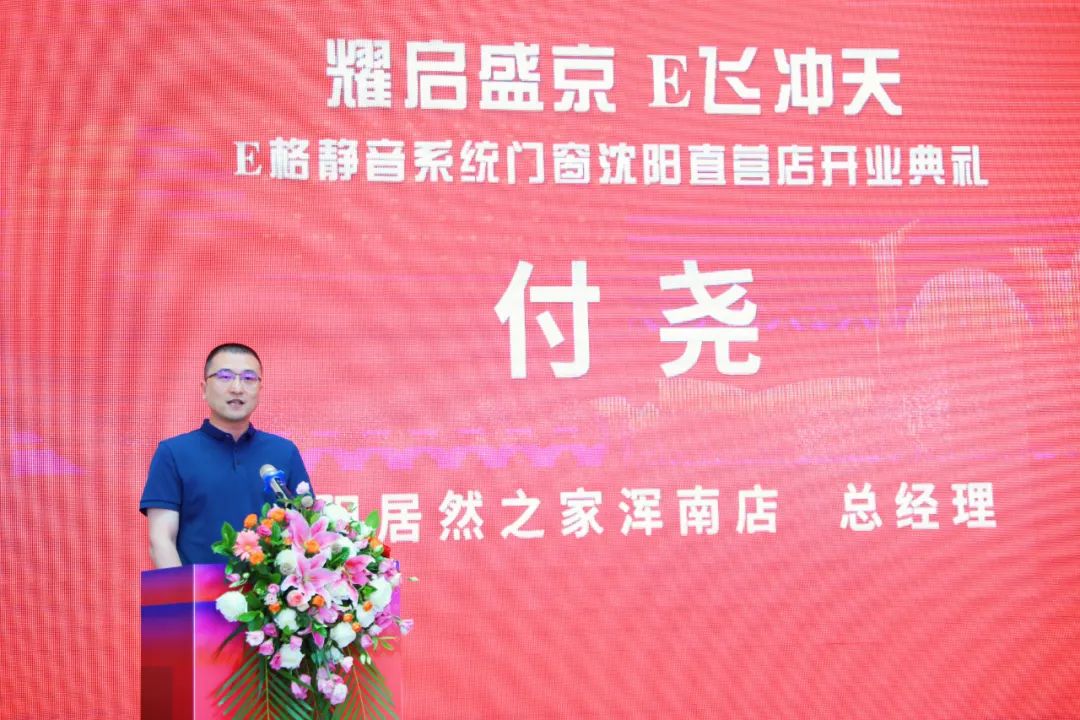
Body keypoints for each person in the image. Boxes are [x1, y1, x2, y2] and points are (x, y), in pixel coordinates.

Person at [139, 343, 310, 567]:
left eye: (248, 378)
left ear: (260, 389)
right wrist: (182, 590)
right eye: (225, 376)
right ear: (204, 388)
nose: (237, 388)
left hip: (270, 589)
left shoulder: (284, 452)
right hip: (198, 588)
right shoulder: (173, 453)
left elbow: (305, 531)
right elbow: (161, 540)